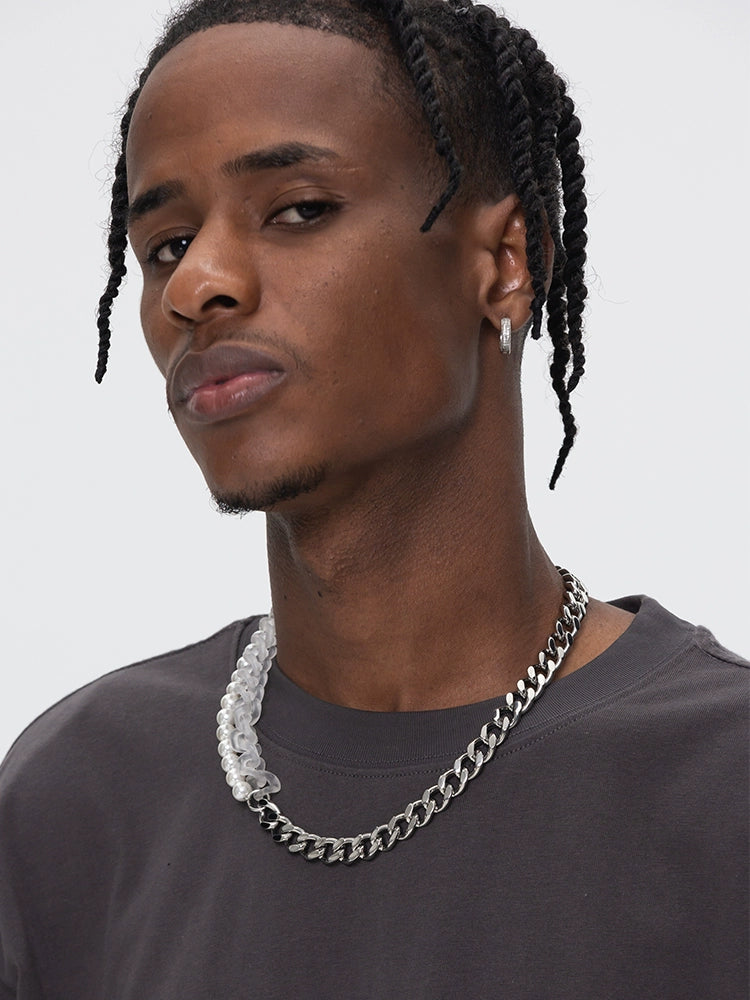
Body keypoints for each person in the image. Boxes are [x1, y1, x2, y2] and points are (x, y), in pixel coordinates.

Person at [0, 0, 747, 996]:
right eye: (167, 244)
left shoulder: (722, 785)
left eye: (299, 209)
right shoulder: (76, 796)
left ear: (505, 262)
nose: (197, 285)